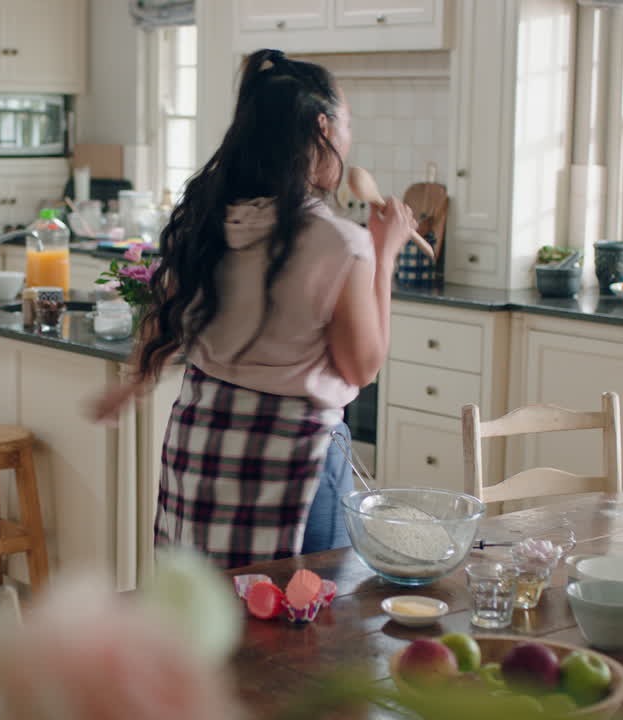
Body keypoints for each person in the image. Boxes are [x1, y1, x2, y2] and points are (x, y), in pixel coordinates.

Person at [92, 48, 414, 569]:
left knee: (203, 615)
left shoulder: (207, 219)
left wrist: (135, 379)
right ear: (322, 126)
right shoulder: (341, 242)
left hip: (201, 438)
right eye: (347, 124)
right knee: (301, 631)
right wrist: (386, 253)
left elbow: (166, 314)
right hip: (292, 456)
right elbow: (363, 366)